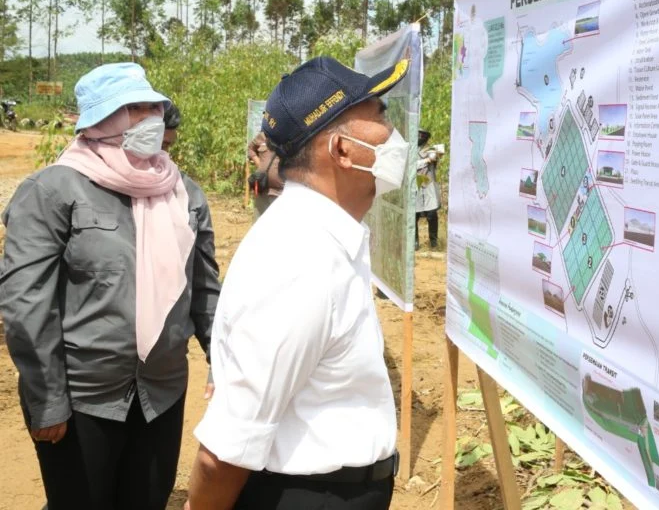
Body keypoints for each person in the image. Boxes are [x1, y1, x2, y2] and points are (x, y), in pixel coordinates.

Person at [187, 55, 410, 510]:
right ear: (342, 150)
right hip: (307, 496)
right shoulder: (299, 258)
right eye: (379, 115)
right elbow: (225, 450)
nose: (392, 132)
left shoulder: (323, 235)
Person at [0, 62, 220, 510]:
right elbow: (27, 304)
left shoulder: (184, 194)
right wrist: (47, 401)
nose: (152, 117)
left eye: (153, 106)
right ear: (104, 120)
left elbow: (205, 293)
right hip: (82, 398)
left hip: (162, 392)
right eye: (134, 108)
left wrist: (228, 364)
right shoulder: (53, 190)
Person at [415, 128, 443, 250]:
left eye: (422, 135)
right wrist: (425, 160)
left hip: (429, 187)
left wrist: (431, 157)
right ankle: (415, 242)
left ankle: (434, 242)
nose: (420, 137)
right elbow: (412, 165)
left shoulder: (431, 149)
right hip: (416, 187)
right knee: (414, 216)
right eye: (418, 135)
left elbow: (437, 153)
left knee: (432, 215)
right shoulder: (411, 151)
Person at [247, 130, 284, 217]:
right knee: (259, 226)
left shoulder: (291, 136)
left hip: (281, 193)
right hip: (262, 191)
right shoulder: (262, 135)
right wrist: (260, 165)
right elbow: (250, 149)